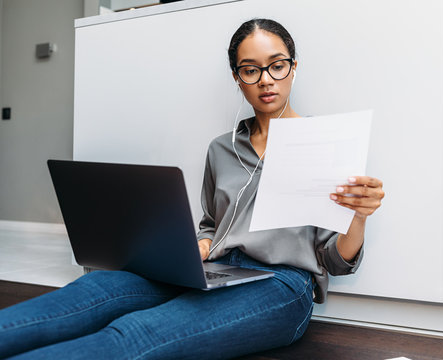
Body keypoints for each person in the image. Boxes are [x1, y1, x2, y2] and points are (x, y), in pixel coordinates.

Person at [0, 18, 384, 359]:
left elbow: (334, 261)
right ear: (237, 77)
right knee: (93, 290)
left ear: (293, 68)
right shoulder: (222, 148)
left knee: (137, 332)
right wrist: (197, 247)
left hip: (282, 285)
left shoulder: (327, 142)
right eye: (250, 70)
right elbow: (210, 226)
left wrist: (359, 218)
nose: (265, 79)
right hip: (215, 269)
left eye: (276, 66)